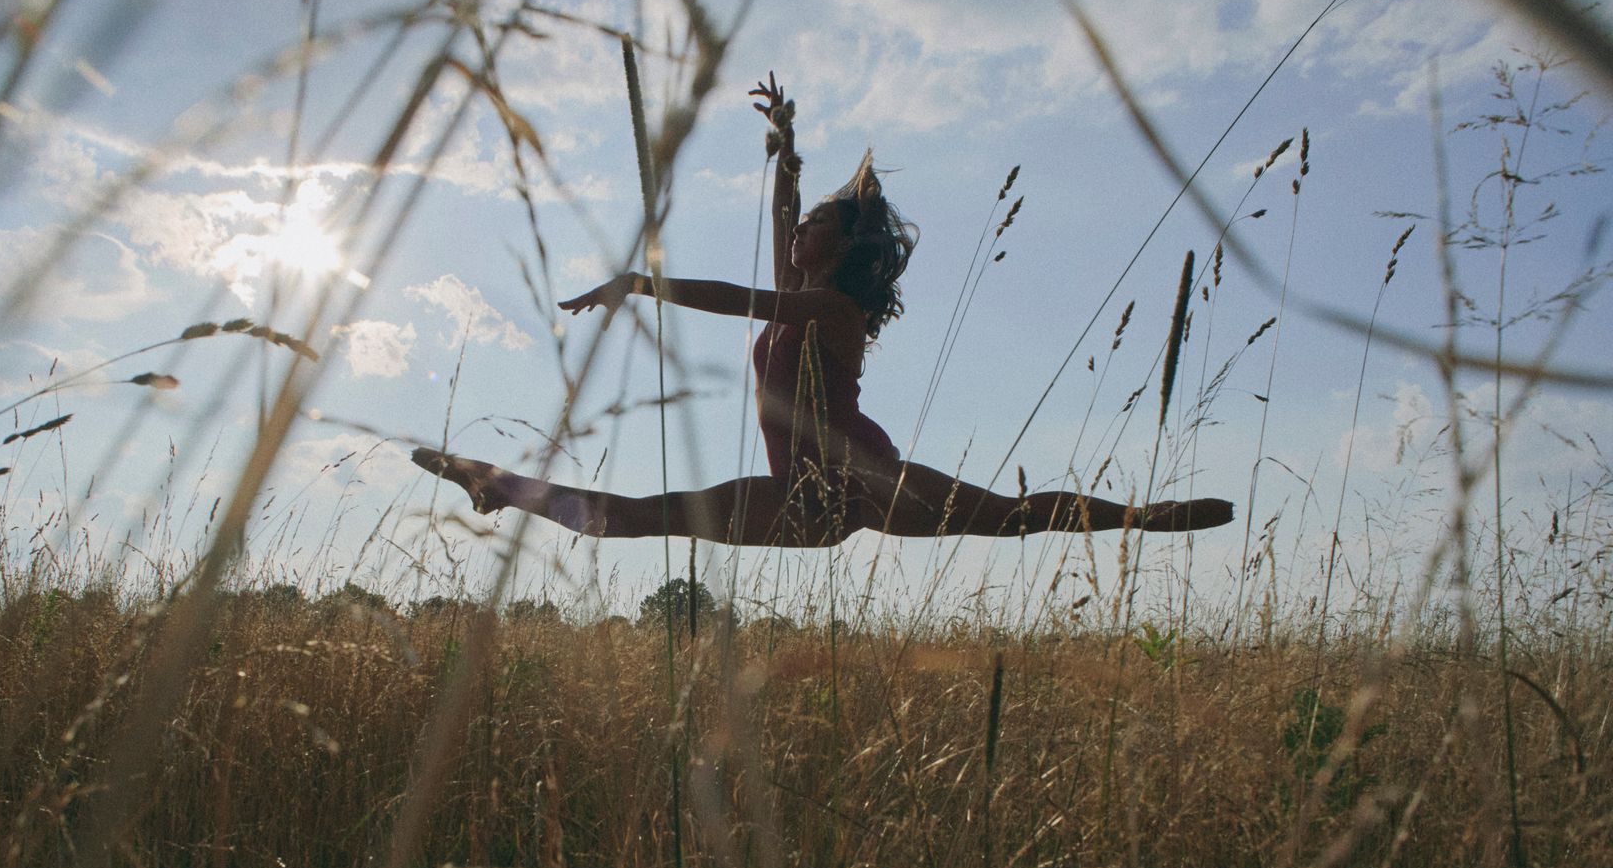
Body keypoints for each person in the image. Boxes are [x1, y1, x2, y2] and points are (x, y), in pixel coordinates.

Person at [411, 74, 1233, 548]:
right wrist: (786, 146)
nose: (801, 229)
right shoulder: (802, 296)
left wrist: (642, 285)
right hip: (794, 494)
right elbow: (779, 220)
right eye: (804, 222)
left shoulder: (833, 310)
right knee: (629, 519)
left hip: (865, 482)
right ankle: (499, 487)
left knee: (1013, 518)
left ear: (841, 248)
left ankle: (1142, 518)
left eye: (817, 225)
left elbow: (742, 298)